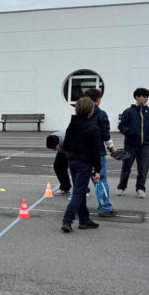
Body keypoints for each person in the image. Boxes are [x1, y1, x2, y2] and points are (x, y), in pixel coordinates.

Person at [60, 98, 102, 233]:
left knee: (80, 191)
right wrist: (98, 169)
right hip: (84, 163)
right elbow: (96, 151)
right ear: (91, 111)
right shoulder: (93, 127)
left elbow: (65, 145)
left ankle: (84, 220)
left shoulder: (72, 125)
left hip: (72, 161)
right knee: (78, 193)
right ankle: (67, 220)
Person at [116, 87, 149, 198]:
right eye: (143, 96)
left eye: (147, 97)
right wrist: (129, 132)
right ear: (137, 97)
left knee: (143, 168)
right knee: (126, 167)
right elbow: (121, 126)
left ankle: (140, 189)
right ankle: (121, 187)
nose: (146, 99)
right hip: (130, 145)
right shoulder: (129, 111)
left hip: (145, 145)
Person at [85, 88, 117, 217]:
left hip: (80, 153)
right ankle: (105, 207)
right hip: (96, 154)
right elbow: (105, 134)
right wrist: (112, 147)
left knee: (80, 180)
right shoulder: (101, 114)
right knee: (100, 179)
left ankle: (74, 205)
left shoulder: (80, 113)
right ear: (98, 100)